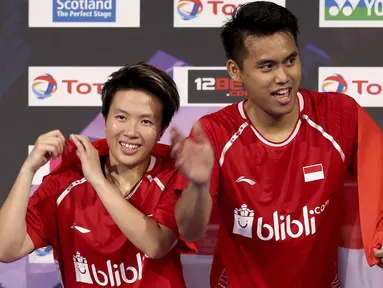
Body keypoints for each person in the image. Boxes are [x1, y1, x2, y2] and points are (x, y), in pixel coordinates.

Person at [170, 2, 383, 287]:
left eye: (290, 60)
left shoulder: (341, 115)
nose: (283, 77)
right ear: (235, 71)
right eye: (267, 66)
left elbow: (379, 170)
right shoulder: (214, 132)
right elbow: (190, 230)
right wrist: (197, 185)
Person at [0, 62, 195, 287]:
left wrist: (97, 180)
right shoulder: (66, 181)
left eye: (146, 121)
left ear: (162, 129)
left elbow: (156, 245)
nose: (131, 132)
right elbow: (6, 249)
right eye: (121, 117)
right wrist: (27, 170)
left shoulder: (174, 175)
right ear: (105, 120)